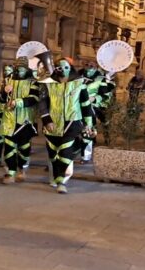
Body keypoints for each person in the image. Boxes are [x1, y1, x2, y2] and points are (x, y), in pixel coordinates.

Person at [40, 57, 93, 194]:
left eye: (66, 67)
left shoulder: (80, 83)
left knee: (65, 152)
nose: (63, 69)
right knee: (53, 155)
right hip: (52, 124)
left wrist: (88, 124)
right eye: (60, 67)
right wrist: (47, 120)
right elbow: (43, 104)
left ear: (71, 68)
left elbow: (86, 105)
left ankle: (61, 181)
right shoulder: (48, 83)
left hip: (73, 123)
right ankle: (55, 177)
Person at [0, 57, 40, 184]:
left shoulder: (33, 82)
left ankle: (22, 168)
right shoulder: (8, 80)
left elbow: (34, 98)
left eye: (22, 68)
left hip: (25, 120)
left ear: (27, 69)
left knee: (24, 147)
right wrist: (4, 92)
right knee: (9, 146)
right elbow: (0, 99)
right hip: (9, 119)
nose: (20, 71)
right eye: (18, 68)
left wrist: (18, 102)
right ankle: (10, 171)